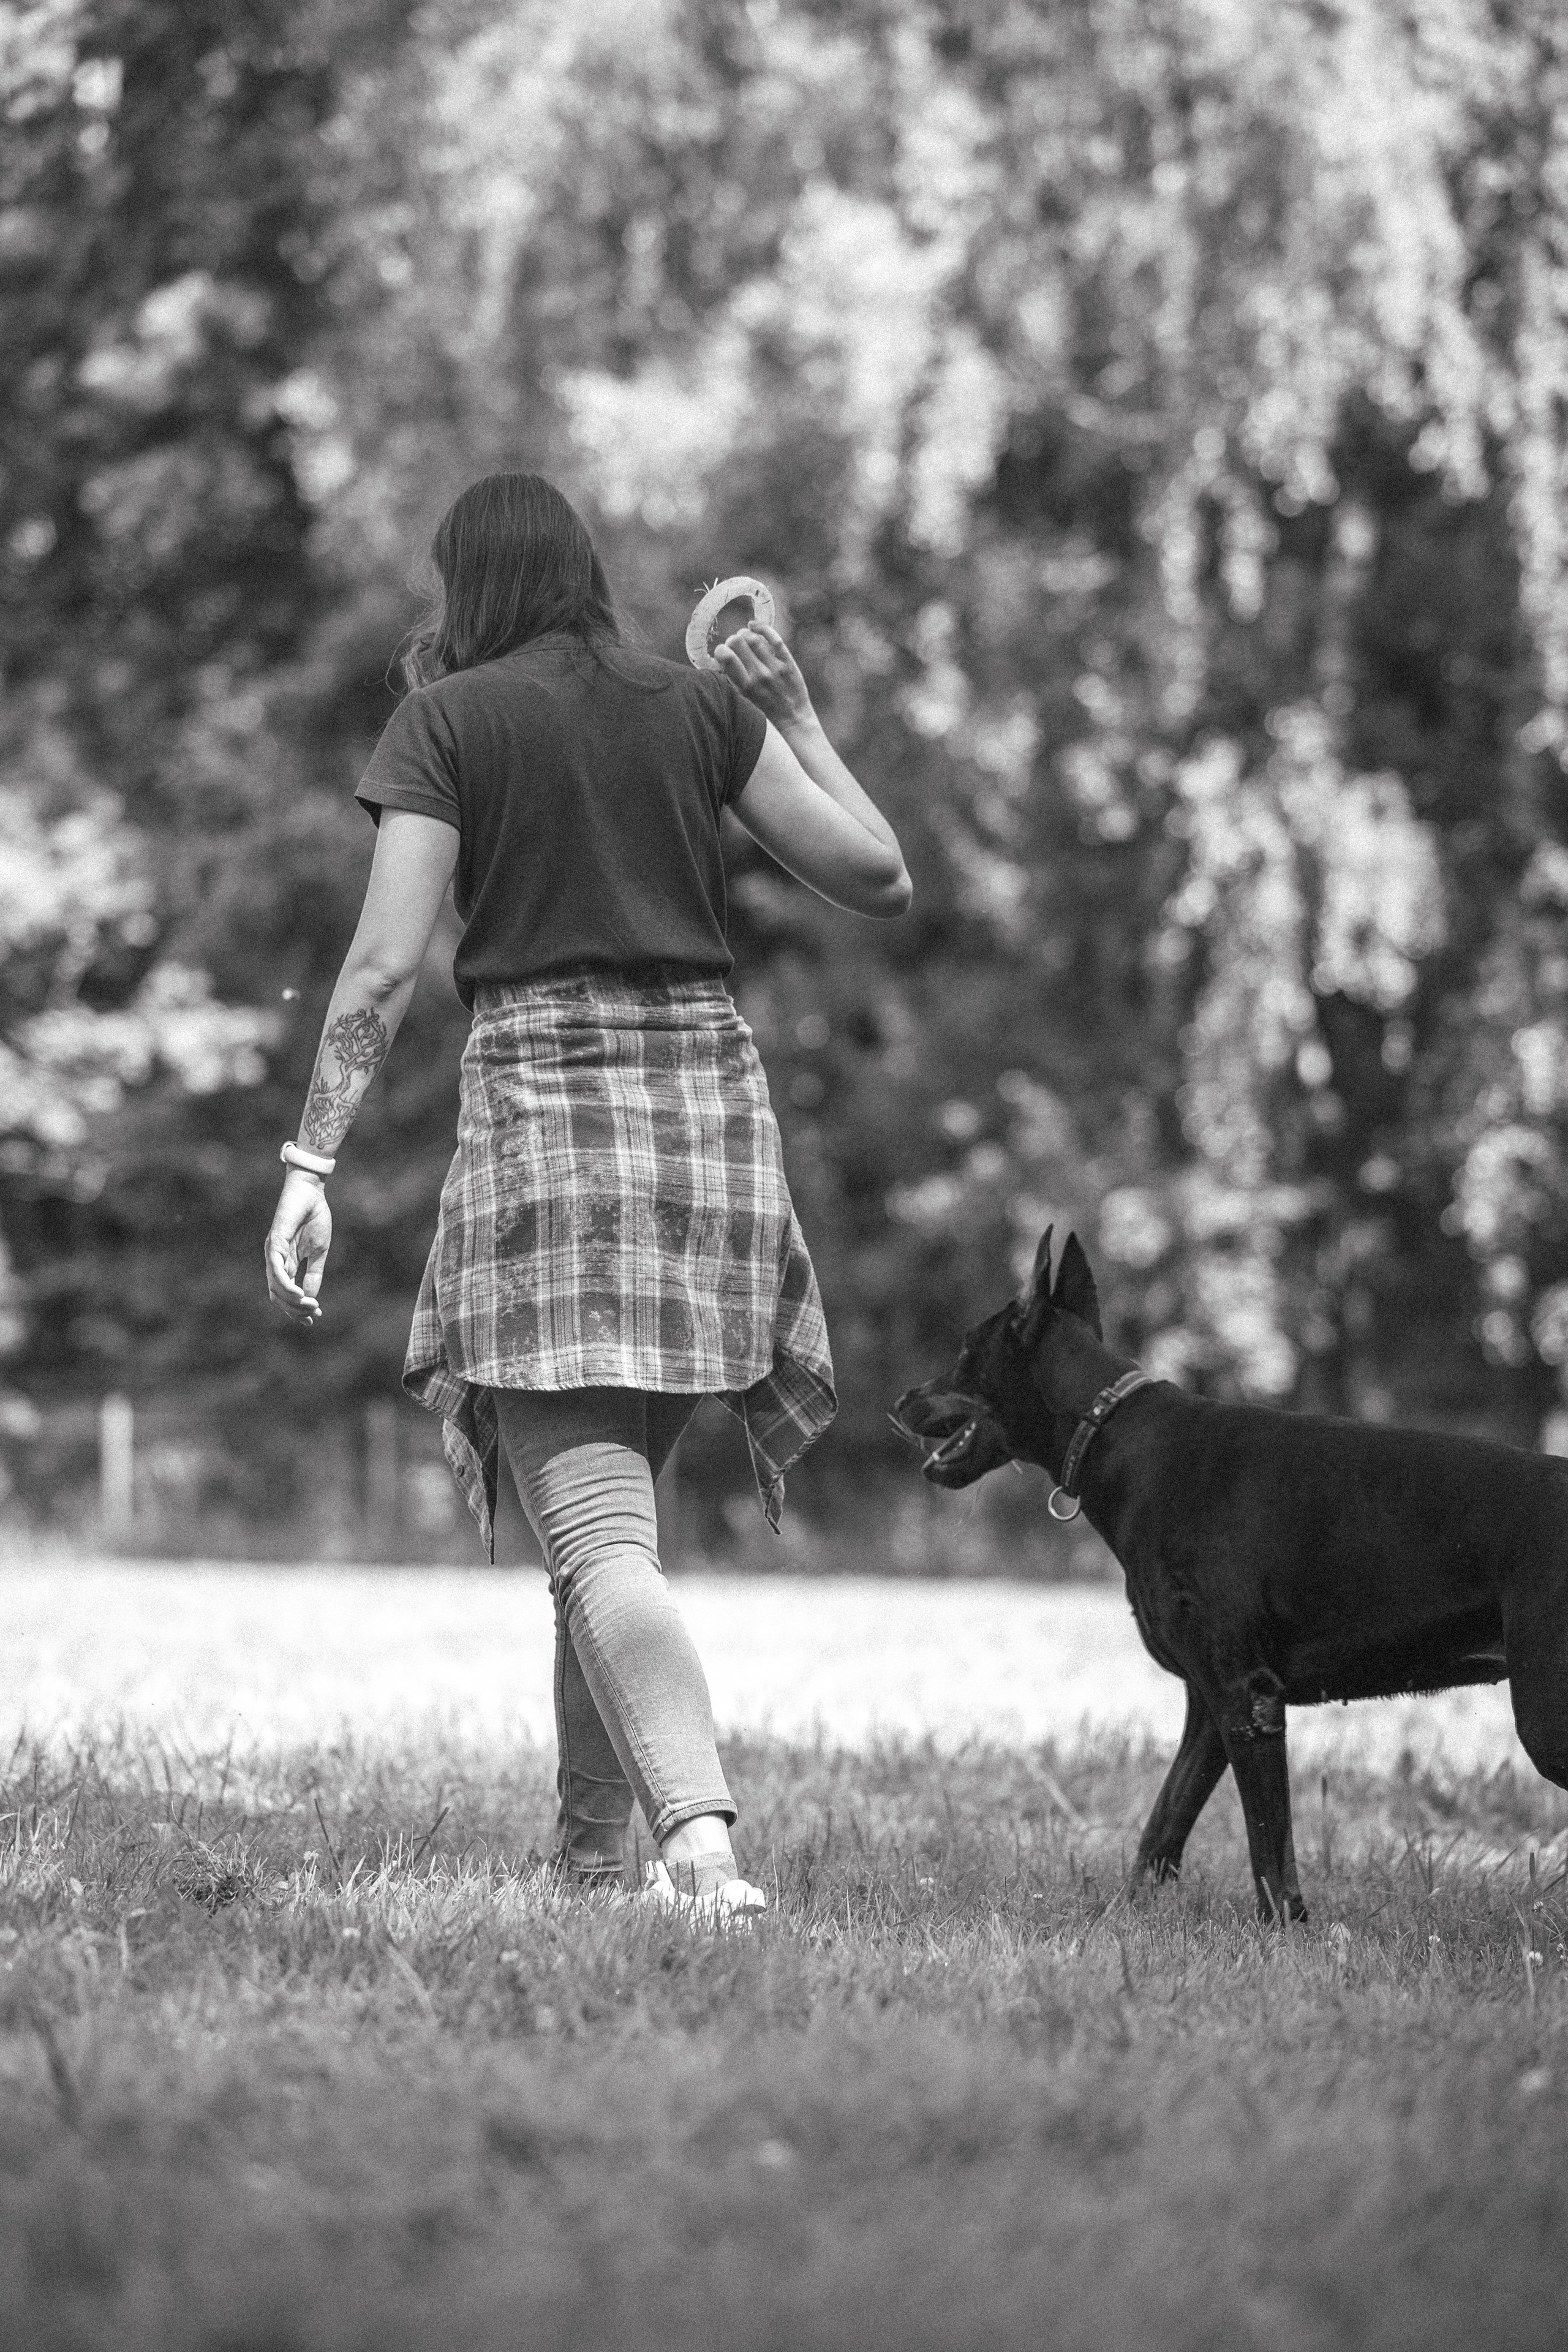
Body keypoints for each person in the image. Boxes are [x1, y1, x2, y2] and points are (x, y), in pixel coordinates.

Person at [263, 472, 911, 1919]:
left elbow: (377, 967)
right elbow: (875, 872)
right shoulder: (696, 708)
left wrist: (310, 1162)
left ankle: (700, 1850)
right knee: (602, 1534)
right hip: (708, 1144)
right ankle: (586, 1866)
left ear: (467, 589)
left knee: (600, 1537)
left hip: (550, 1135)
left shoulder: (447, 720)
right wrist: (793, 710)